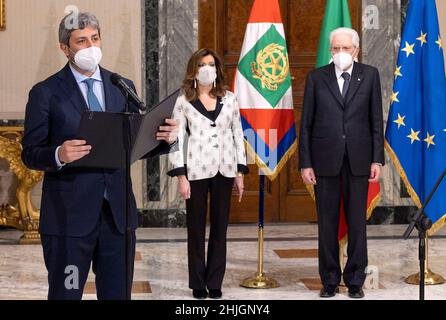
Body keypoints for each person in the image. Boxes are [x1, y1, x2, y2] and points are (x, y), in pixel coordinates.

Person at [21, 12, 178, 300]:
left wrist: (165, 139)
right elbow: (30, 153)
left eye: (95, 38)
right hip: (69, 220)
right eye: (81, 41)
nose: (91, 46)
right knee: (65, 295)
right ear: (65, 48)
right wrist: (59, 154)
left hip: (117, 218)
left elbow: (132, 145)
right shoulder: (46, 93)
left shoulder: (122, 85)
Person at [298, 27, 384, 299]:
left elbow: (375, 121)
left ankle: (356, 280)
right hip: (325, 161)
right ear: (330, 50)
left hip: (359, 160)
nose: (340, 53)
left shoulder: (369, 75)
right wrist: (305, 163)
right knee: (327, 223)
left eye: (345, 48)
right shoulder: (316, 78)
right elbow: (307, 126)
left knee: (357, 223)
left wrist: (377, 159)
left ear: (356, 50)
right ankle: (330, 280)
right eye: (335, 48)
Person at [167, 48, 248, 299]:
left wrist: (240, 172)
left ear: (217, 68)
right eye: (202, 64)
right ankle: (197, 284)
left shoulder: (230, 99)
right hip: (196, 171)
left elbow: (237, 134)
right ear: (194, 69)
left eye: (211, 64)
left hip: (225, 169)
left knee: (220, 228)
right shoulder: (183, 101)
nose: (207, 68)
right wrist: (181, 175)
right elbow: (175, 139)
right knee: (195, 229)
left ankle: (215, 282)